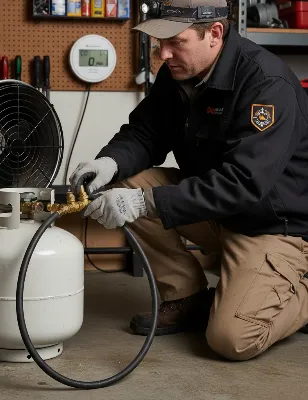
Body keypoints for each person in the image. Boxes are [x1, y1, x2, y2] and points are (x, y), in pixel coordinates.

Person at [69, 0, 308, 361]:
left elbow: (242, 184)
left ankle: (298, 289)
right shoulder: (180, 72)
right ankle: (187, 297)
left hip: (271, 226)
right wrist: (108, 162)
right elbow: (145, 133)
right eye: (158, 43)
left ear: (214, 34)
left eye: (175, 42)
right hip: (218, 212)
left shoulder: (266, 85)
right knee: (124, 183)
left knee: (232, 338)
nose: (163, 54)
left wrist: (147, 203)